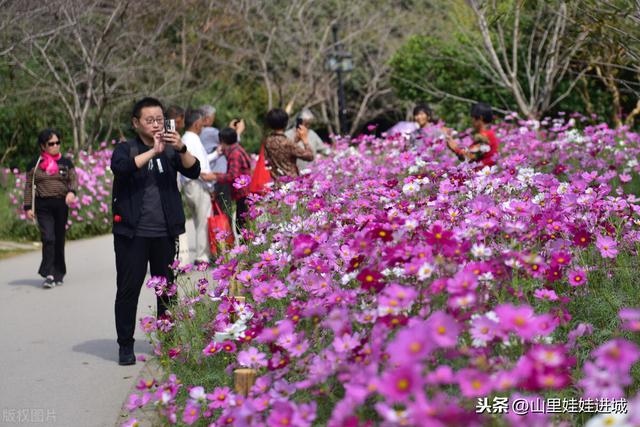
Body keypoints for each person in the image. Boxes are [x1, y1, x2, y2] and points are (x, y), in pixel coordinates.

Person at [111, 97, 200, 365]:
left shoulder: (173, 150)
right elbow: (121, 169)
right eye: (149, 120)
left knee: (167, 290)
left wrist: (181, 147)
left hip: (165, 233)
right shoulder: (125, 149)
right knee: (129, 289)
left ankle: (168, 340)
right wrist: (154, 151)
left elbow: (194, 170)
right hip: (132, 234)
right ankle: (125, 345)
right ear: (136, 123)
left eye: (159, 119)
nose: (155, 124)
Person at [23, 129, 78, 288]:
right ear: (43, 145)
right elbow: (28, 187)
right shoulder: (34, 164)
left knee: (59, 239)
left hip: (60, 205)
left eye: (57, 142)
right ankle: (49, 273)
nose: (55, 146)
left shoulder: (66, 162)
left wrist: (71, 192)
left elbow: (73, 180)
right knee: (48, 238)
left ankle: (59, 272)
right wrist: (27, 207)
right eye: (51, 143)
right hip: (43, 206)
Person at [179, 108, 216, 265]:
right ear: (196, 124)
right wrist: (211, 186)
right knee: (203, 221)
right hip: (199, 184)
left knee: (197, 220)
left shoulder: (185, 138)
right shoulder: (193, 139)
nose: (202, 127)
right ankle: (202, 256)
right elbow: (200, 166)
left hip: (188, 184)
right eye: (201, 124)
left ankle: (203, 254)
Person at [211, 127, 252, 232]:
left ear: (223, 142)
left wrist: (215, 177)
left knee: (243, 227)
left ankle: (247, 248)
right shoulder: (236, 149)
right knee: (243, 224)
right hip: (244, 193)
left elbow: (233, 175)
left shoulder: (234, 153)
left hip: (243, 193)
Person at [262, 108, 313, 178]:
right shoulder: (287, 143)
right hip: (290, 183)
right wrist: (305, 140)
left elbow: (282, 152)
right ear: (286, 123)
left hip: (276, 182)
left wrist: (295, 141)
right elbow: (310, 156)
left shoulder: (267, 141)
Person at [446, 102, 499, 168]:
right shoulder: (490, 133)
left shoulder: (484, 136)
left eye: (472, 117)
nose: (472, 121)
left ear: (480, 118)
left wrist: (455, 148)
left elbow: (470, 157)